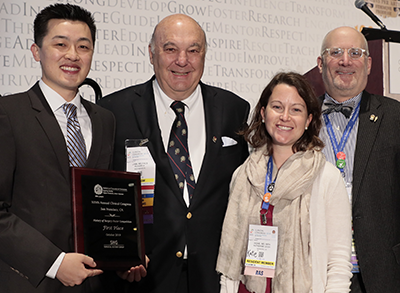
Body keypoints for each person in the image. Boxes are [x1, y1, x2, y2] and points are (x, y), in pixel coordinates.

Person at [98, 13, 250, 293]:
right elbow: (105, 193)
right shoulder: (113, 111)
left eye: (193, 50)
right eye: (170, 49)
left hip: (214, 276)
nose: (183, 60)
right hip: (143, 277)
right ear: (151, 53)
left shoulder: (234, 109)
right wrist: (121, 254)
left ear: (204, 55)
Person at [0, 4, 146, 293]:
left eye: (83, 46)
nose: (73, 55)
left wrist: (125, 254)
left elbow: (104, 200)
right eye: (60, 44)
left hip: (92, 284)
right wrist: (54, 262)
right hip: (29, 282)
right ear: (36, 51)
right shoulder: (8, 112)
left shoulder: (104, 119)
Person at [216, 72, 352, 293]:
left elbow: (337, 264)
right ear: (263, 113)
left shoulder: (326, 178)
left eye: (296, 110)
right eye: (277, 107)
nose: (285, 117)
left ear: (308, 120)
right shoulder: (243, 176)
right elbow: (231, 257)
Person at [316, 26, 400, 293]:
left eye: (355, 53)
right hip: (316, 270)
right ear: (320, 63)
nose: (345, 61)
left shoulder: (395, 117)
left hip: (381, 273)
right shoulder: (299, 118)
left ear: (369, 63)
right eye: (335, 52)